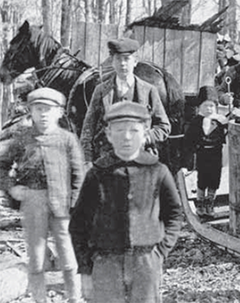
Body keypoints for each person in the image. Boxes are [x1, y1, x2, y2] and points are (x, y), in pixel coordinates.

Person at [69, 101, 183, 303]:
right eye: (120, 130)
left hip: (146, 260)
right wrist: (85, 268)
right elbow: (78, 223)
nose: (127, 137)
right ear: (108, 134)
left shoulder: (157, 171)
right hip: (105, 262)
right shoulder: (98, 173)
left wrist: (161, 251)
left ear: (145, 131)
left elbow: (174, 213)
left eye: (134, 130)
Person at [0, 88, 84, 303]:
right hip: (33, 203)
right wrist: (11, 188)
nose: (43, 114)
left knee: (68, 259)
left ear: (59, 113)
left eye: (48, 109)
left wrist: (75, 204)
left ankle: (74, 298)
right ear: (31, 112)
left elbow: (78, 175)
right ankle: (40, 300)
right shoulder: (23, 139)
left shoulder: (67, 140)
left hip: (61, 204)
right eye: (38, 109)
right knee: (37, 261)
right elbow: (2, 166)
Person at [80, 38, 171, 165]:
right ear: (112, 62)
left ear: (135, 62)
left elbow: (164, 127)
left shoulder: (149, 91)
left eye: (127, 59)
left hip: (140, 160)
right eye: (118, 59)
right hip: (106, 161)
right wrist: (87, 160)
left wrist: (144, 138)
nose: (122, 64)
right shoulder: (101, 91)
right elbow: (87, 129)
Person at [180, 86, 228, 218]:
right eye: (205, 106)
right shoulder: (196, 122)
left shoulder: (220, 121)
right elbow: (189, 140)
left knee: (214, 180)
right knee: (202, 179)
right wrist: (189, 154)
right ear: (200, 107)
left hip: (216, 155)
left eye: (211, 106)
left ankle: (210, 204)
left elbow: (229, 130)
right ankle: (200, 204)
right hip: (202, 155)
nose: (209, 109)